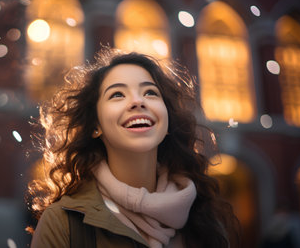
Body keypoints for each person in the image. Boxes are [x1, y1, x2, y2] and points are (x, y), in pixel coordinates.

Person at [27, 48, 240, 247]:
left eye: (150, 93)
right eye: (117, 94)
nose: (138, 101)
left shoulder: (205, 219)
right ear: (95, 126)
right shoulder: (63, 222)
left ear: (167, 122)